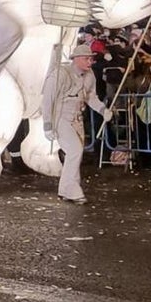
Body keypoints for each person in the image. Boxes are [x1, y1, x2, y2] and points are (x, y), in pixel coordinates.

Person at [42, 44, 107, 204]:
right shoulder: (61, 74)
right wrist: (48, 124)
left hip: (77, 118)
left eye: (91, 58)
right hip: (61, 117)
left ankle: (66, 188)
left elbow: (90, 96)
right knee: (75, 151)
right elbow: (47, 100)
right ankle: (72, 190)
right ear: (76, 59)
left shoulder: (90, 75)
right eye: (86, 58)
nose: (90, 62)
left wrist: (102, 109)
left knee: (75, 154)